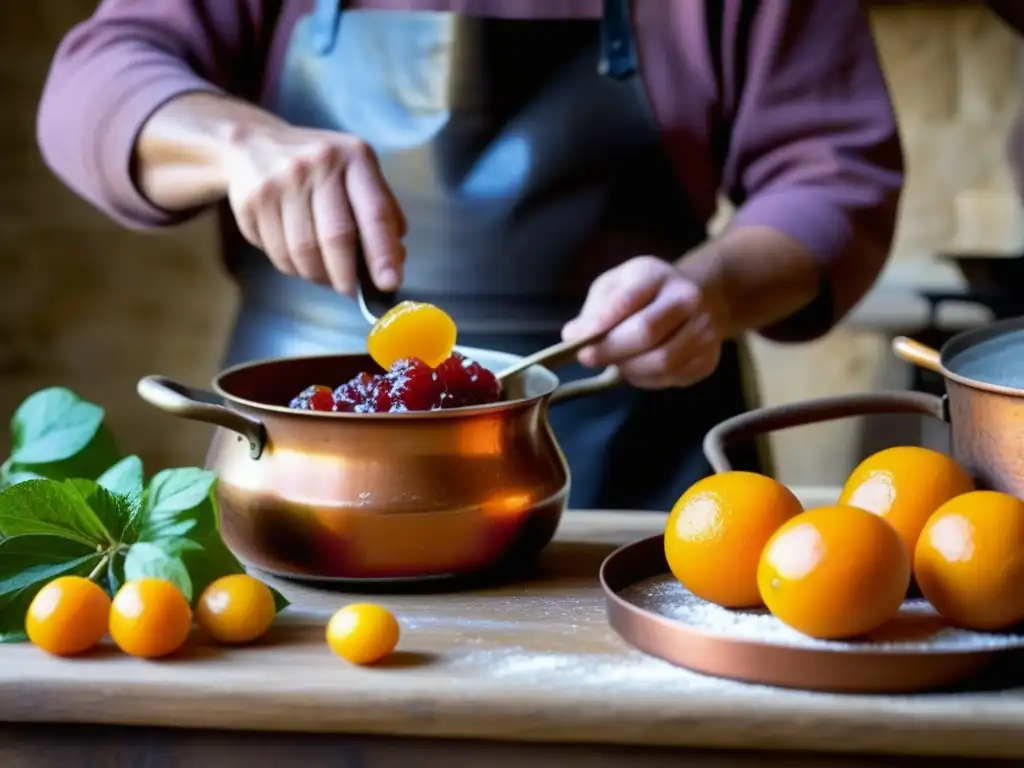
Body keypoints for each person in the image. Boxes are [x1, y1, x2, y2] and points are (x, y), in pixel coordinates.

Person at [37, 0, 903, 513]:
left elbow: (833, 174)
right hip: (304, 450)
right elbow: (97, 75)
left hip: (633, 436)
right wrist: (235, 141)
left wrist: (709, 290)